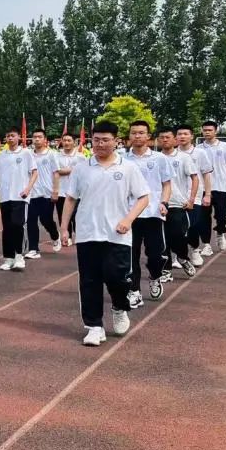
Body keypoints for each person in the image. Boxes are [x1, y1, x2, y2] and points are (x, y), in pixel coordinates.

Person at [59, 121, 150, 346]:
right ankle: (94, 326)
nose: (100, 144)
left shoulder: (127, 167)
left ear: (116, 141)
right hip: (88, 233)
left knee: (117, 278)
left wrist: (128, 220)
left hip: (117, 235)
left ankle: (119, 307)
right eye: (96, 139)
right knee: (89, 281)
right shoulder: (82, 167)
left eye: (105, 140)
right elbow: (70, 198)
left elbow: (144, 197)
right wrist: (64, 228)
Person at [125, 121, 173, 305]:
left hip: (153, 213)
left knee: (155, 255)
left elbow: (166, 184)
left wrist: (164, 202)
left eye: (141, 133)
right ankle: (134, 290)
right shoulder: (122, 159)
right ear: (129, 136)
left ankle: (155, 277)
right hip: (130, 214)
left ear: (148, 136)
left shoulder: (159, 158)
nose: (137, 136)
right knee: (131, 254)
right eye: (134, 133)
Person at [0, 127, 37, 271]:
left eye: (12, 136)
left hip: (20, 196)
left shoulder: (26, 153)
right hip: (5, 196)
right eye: (8, 136)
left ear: (19, 137)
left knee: (18, 225)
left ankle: (19, 256)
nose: (10, 138)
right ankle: (8, 258)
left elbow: (34, 172)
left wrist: (27, 189)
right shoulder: (1, 155)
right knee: (7, 228)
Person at [156, 126, 198, 279]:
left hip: (177, 204)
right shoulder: (155, 158)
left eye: (168, 137)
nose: (165, 140)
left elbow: (195, 178)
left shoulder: (183, 158)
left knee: (177, 236)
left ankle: (182, 257)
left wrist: (191, 199)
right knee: (161, 239)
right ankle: (166, 269)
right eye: (162, 137)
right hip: (159, 205)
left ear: (174, 139)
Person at [176, 125, 213, 267]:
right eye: (179, 134)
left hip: (195, 196)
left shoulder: (200, 153)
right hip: (176, 197)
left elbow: (206, 174)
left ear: (192, 136)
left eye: (185, 134)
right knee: (176, 228)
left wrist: (207, 194)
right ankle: (177, 255)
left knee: (192, 225)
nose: (182, 136)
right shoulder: (170, 154)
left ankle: (194, 249)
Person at [199, 121, 226, 252]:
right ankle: (206, 244)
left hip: (221, 186)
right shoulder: (198, 148)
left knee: (222, 215)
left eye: (210, 130)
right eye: (205, 130)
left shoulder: (224, 147)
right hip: (203, 188)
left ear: (216, 131)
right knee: (203, 217)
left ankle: (220, 232)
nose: (207, 132)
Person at [24, 129, 61, 259]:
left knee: (46, 220)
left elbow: (56, 173)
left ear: (45, 139)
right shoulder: (28, 154)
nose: (37, 139)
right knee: (31, 221)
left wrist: (55, 191)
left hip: (47, 193)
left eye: (39, 137)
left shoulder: (51, 154)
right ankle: (33, 248)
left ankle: (55, 235)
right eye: (34, 137)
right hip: (32, 193)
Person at [53, 132, 85, 245]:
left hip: (76, 192)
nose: (66, 143)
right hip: (61, 191)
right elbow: (56, 171)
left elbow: (83, 172)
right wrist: (73, 169)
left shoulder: (80, 157)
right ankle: (68, 236)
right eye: (64, 140)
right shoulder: (56, 155)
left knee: (77, 216)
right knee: (63, 215)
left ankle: (80, 236)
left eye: (69, 140)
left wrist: (64, 170)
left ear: (74, 142)